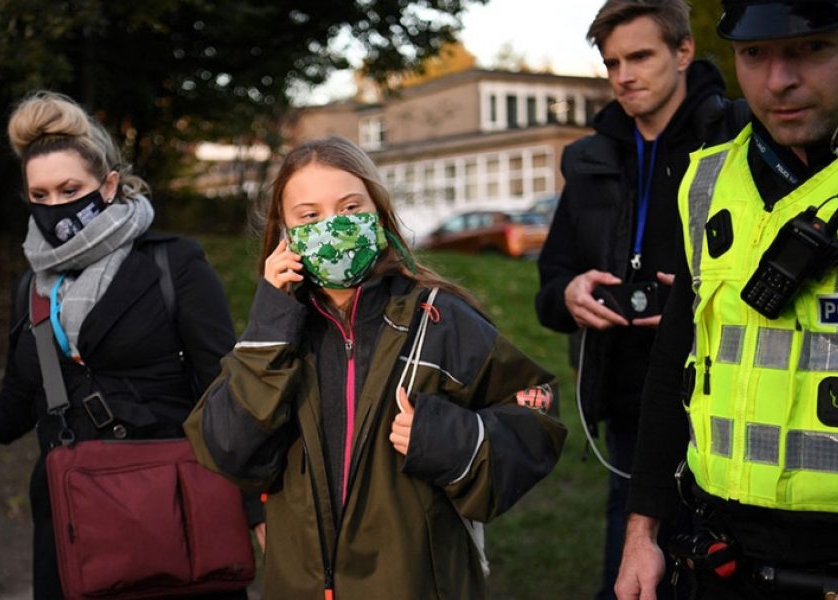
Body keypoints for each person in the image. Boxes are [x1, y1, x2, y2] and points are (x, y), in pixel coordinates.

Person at [184, 135, 567, 599]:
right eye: (310, 216)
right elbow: (228, 448)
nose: (334, 226)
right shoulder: (274, 333)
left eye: (350, 208)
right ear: (285, 233)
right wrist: (270, 321)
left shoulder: (438, 318)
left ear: (378, 213)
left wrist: (452, 440)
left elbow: (537, 408)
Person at [0, 91, 261, 599]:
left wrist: (255, 504)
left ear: (107, 185)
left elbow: (225, 391)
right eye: (40, 196)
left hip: (171, 505)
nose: (55, 207)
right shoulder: (33, 286)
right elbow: (23, 397)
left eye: (69, 189)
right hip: (73, 519)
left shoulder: (173, 263)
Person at [616, 1, 838, 598]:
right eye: (754, 54)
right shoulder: (708, 180)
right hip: (721, 560)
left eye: (812, 48)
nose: (778, 82)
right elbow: (674, 363)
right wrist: (642, 530)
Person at [534, 1, 747, 598]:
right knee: (629, 577)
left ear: (683, 52)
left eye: (641, 56)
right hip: (627, 399)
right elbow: (550, 286)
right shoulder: (588, 158)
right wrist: (571, 293)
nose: (624, 74)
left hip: (727, 397)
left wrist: (702, 299)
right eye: (611, 62)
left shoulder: (739, 135)